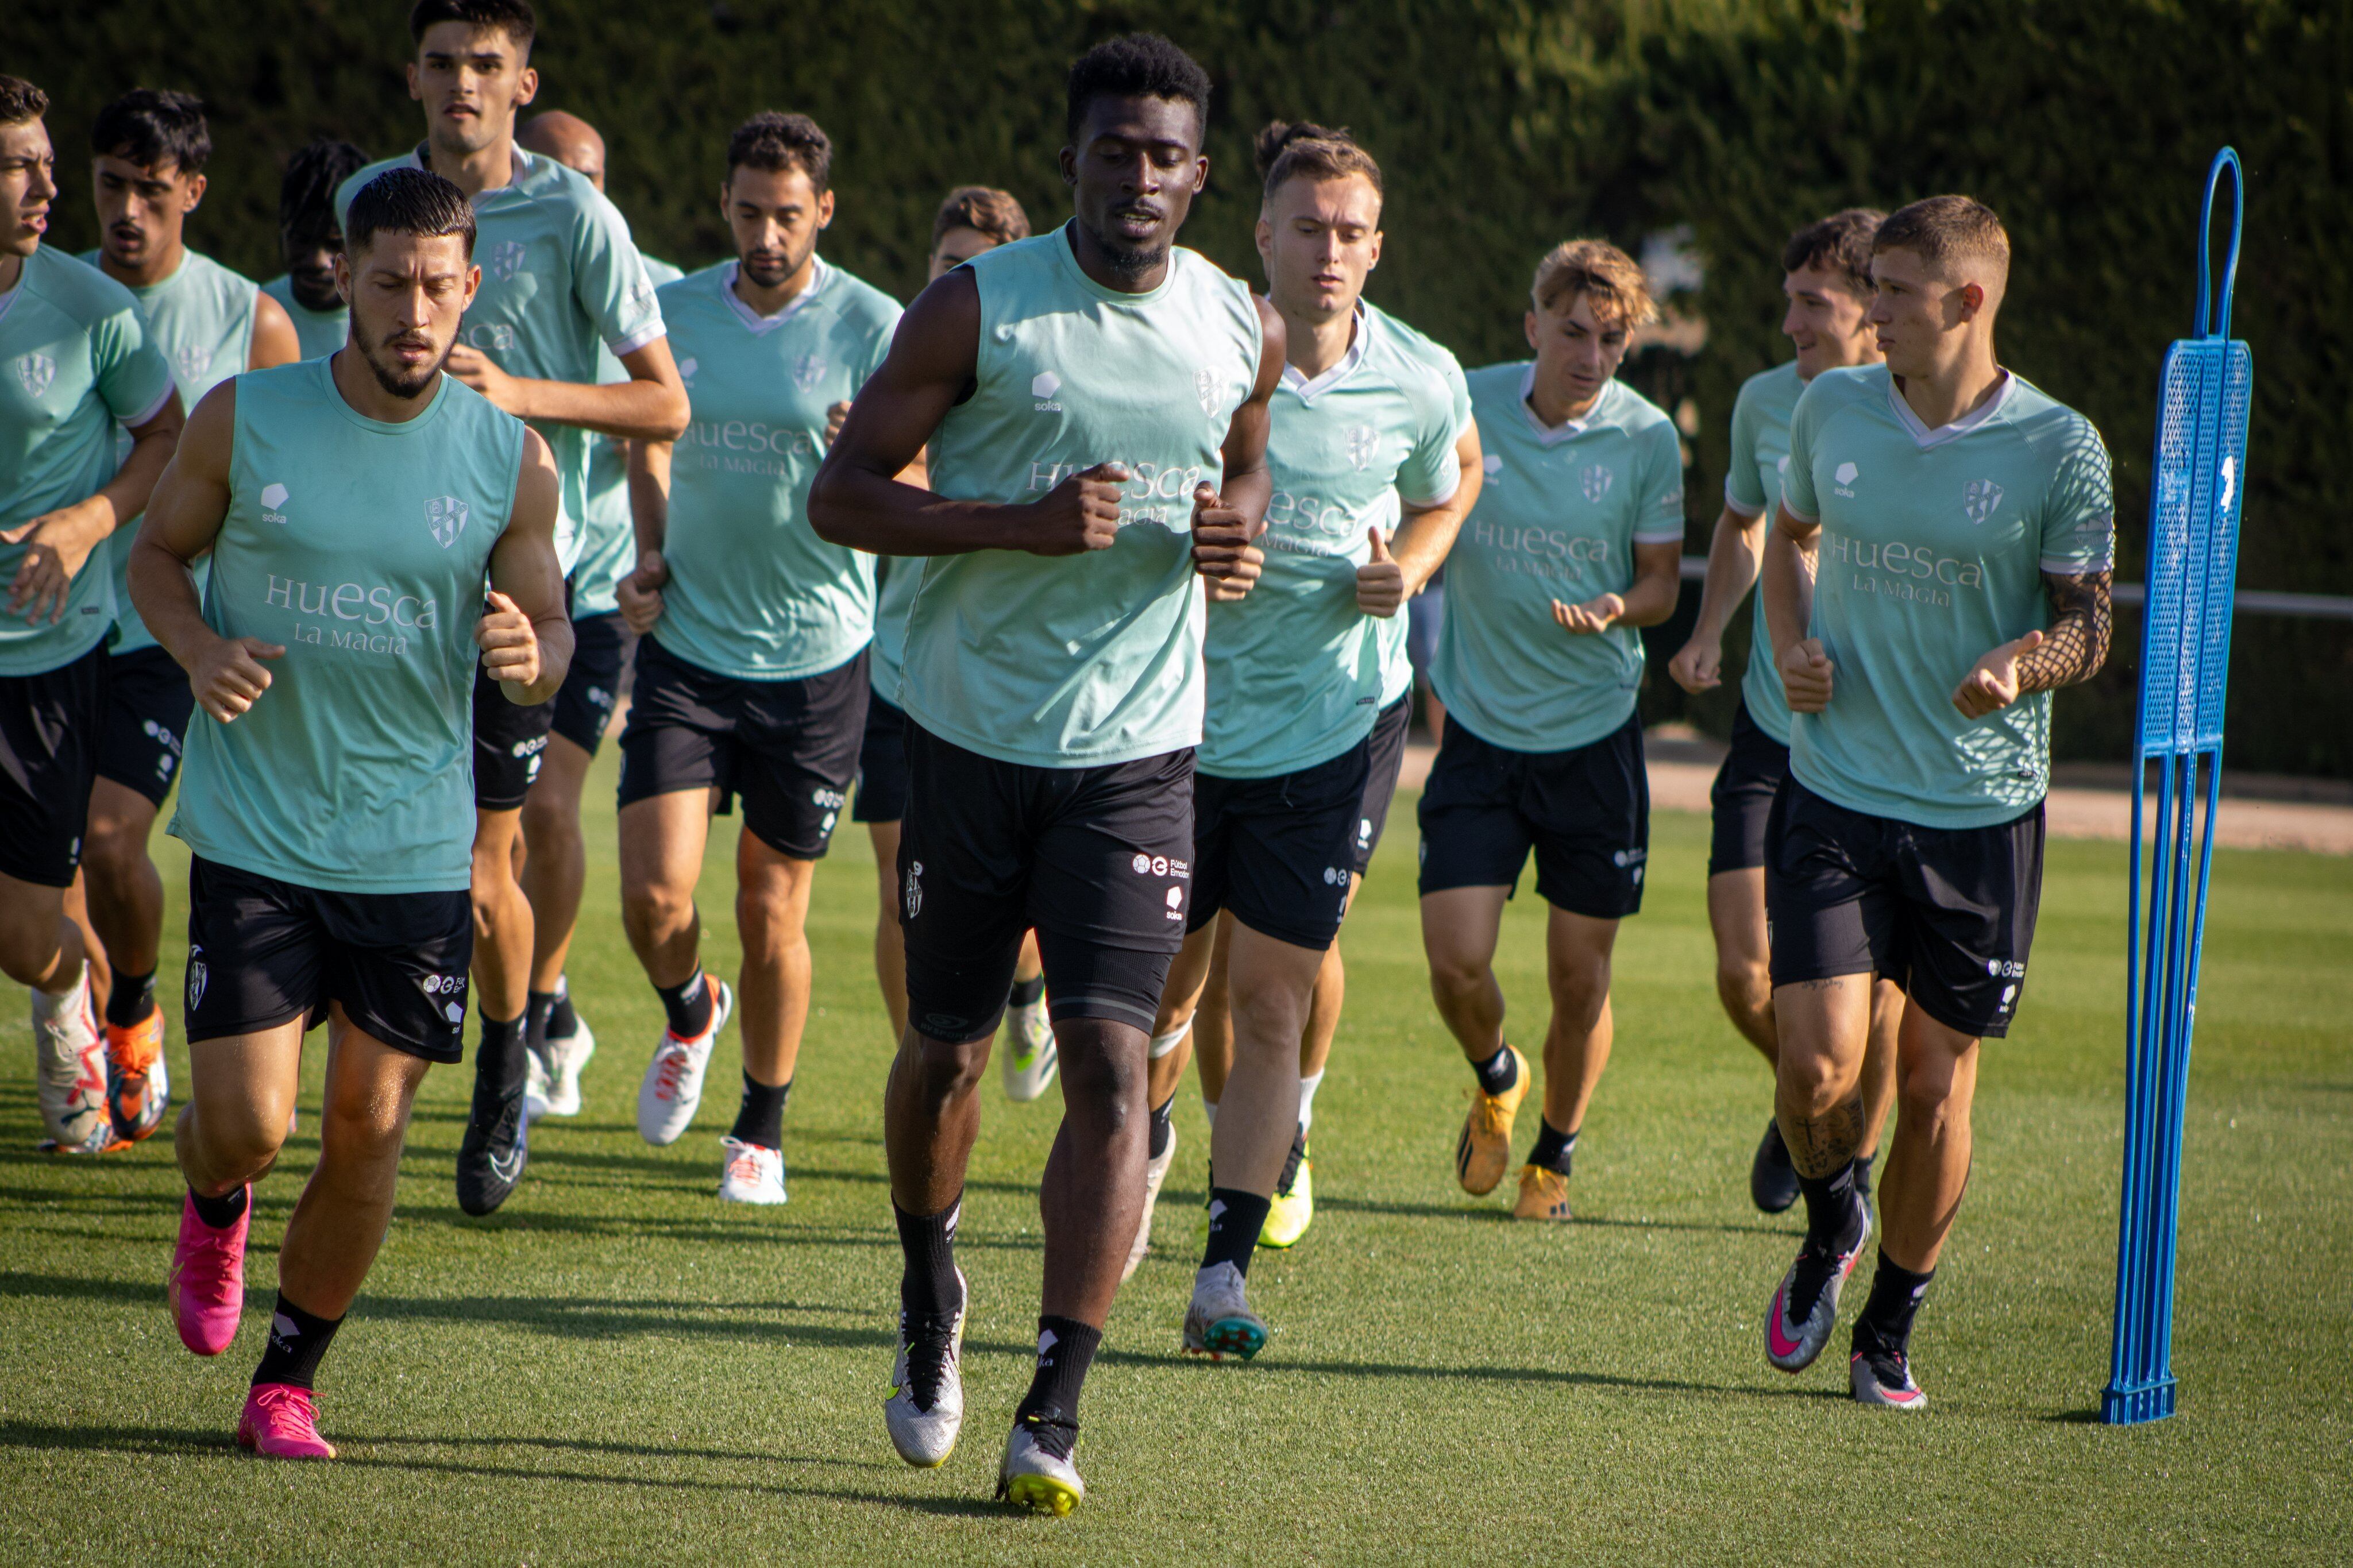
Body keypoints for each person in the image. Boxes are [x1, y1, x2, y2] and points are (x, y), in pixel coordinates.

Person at [808, 33, 1279, 1514]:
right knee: (945, 1050)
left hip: (1138, 754)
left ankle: (1055, 1408)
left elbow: (1248, 458)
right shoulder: (978, 306)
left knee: (1112, 1065)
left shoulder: (1236, 323)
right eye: (1115, 148)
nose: (1140, 175)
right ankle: (929, 1283)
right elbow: (843, 496)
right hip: (963, 737)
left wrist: (1237, 532)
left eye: (1167, 154)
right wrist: (1013, 523)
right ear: (1072, 156)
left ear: (1201, 177)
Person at [132, 166, 570, 1458]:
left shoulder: (510, 458)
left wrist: (530, 652)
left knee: (370, 1128)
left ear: (470, 287)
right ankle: (216, 1202)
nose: (413, 311)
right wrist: (199, 649)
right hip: (262, 830)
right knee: (250, 1125)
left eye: (439, 286)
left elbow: (547, 618)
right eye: (389, 284)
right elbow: (157, 556)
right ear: (348, 280)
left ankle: (288, 1379)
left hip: (412, 844)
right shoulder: (244, 416)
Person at [1758, 195, 2112, 1409]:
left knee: (1930, 1088)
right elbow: (1785, 537)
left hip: (1979, 810)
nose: (1871, 314)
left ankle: (1886, 1331)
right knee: (1813, 1073)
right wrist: (1793, 642)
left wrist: (2022, 663)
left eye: (1895, 295)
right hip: (1835, 790)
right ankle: (1827, 1222)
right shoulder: (1829, 408)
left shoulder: (2059, 446)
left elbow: (2087, 623)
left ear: (1966, 302)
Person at [338, 0, 689, 1215]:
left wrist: (519, 391)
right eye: (441, 63)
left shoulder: (577, 215)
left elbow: (664, 406)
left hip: (553, 581)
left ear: (522, 80)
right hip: (390, 585)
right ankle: (378, 1067)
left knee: (518, 837)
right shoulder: (373, 198)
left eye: (485, 65)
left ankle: (508, 1058)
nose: (462, 86)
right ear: (414, 76)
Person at [1131, 123, 1480, 1313]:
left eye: (1349, 233)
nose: (1327, 253)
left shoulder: (1421, 374)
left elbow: (1454, 479)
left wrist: (1414, 569)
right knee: (1158, 991)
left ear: (1375, 248)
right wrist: (1192, 548)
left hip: (1335, 727)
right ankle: (1145, 1137)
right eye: (1306, 230)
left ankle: (1222, 1269)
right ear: (1261, 237)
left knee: (1272, 991)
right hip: (1172, 718)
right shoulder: (1189, 349)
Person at [612, 111, 900, 1202]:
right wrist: (647, 549)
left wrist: (864, 457)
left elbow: (920, 484)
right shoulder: (673, 310)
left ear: (824, 210)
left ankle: (762, 1125)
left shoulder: (877, 325)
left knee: (771, 907)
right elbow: (648, 433)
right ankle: (692, 1009)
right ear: (724, 203)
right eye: (748, 211)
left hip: (819, 662)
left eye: (788, 215)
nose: (766, 234)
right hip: (689, 644)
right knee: (654, 900)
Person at [1419, 239, 1685, 1222]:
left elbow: (1663, 582)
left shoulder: (1647, 437)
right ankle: (1496, 1074)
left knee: (1581, 979)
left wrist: (1622, 605)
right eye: (1573, 332)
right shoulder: (1463, 400)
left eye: (1612, 340)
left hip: (1594, 740)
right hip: (1481, 734)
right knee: (1455, 961)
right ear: (1533, 326)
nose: (1591, 355)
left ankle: (1554, 1161)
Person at [1666, 209, 1901, 1215]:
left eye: (1814, 304)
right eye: (1789, 301)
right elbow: (1741, 521)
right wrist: (1711, 625)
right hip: (1771, 728)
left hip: (1878, 747)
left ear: (1872, 312)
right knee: (1739, 970)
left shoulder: (1916, 416)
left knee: (1880, 1004)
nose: (1791, 323)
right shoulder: (1765, 400)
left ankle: (1837, 1168)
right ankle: (1804, 1095)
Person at [79, 88, 300, 1150]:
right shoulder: (54, 296)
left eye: (151, 192)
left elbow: (295, 479)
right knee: (47, 874)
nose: (127, 210)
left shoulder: (248, 317)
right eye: (112, 185)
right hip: (43, 623)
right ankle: (75, 1016)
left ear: (194, 195)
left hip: (165, 631)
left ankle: (128, 1010)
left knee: (114, 843)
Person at [0, 76, 184, 1156]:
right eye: (19, 165)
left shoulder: (91, 309)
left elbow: (163, 438)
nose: (46, 187)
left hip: (48, 662)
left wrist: (85, 523)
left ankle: (69, 998)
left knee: (30, 937)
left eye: (46, 163)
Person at [854, 183, 1056, 1104]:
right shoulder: (909, 352)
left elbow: (1002, 492)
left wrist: (910, 471)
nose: (960, 280)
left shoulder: (1030, 366)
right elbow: (853, 497)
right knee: (903, 885)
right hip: (904, 673)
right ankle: (920, 1073)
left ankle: (1026, 986)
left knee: (1016, 899)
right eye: (947, 265)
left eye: (979, 266)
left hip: (1013, 680)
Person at [510, 106, 684, 1121]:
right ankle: (557, 1004)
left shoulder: (641, 284)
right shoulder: (491, 265)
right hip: (494, 574)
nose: (577, 196)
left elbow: (661, 421)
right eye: (558, 175)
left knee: (546, 804)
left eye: (593, 178)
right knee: (487, 821)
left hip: (601, 581)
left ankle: (536, 1017)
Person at [262, 138, 370, 359]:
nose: (317, 261)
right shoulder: (253, 315)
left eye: (334, 244)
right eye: (302, 239)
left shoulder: (390, 322)